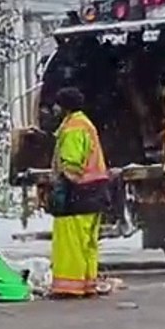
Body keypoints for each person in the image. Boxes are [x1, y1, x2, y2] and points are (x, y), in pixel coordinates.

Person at [47, 87, 110, 298]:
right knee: (88, 243)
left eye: (57, 104)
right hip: (95, 192)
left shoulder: (73, 127)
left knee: (70, 243)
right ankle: (87, 284)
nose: (54, 108)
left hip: (78, 194)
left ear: (64, 106)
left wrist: (60, 187)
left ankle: (69, 288)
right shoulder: (85, 124)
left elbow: (72, 163)